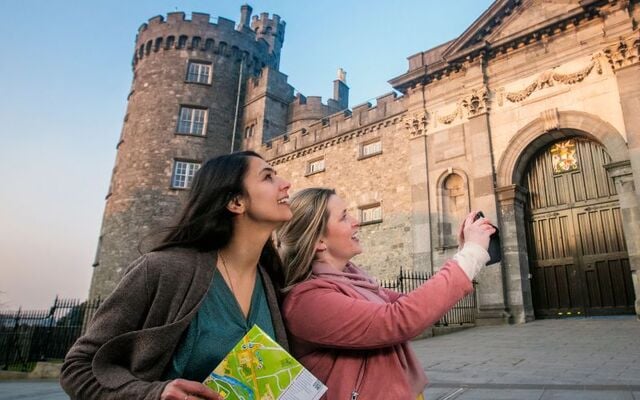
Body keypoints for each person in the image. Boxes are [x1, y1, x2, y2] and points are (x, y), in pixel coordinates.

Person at [60, 151, 292, 400]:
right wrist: (153, 394)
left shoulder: (270, 280)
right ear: (236, 202)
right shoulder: (163, 269)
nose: (285, 184)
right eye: (268, 177)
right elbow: (78, 368)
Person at [276, 188, 495, 399]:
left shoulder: (356, 281)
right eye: (343, 217)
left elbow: (418, 306)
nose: (356, 221)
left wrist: (462, 253)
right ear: (319, 241)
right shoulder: (307, 301)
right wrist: (472, 254)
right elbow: (398, 319)